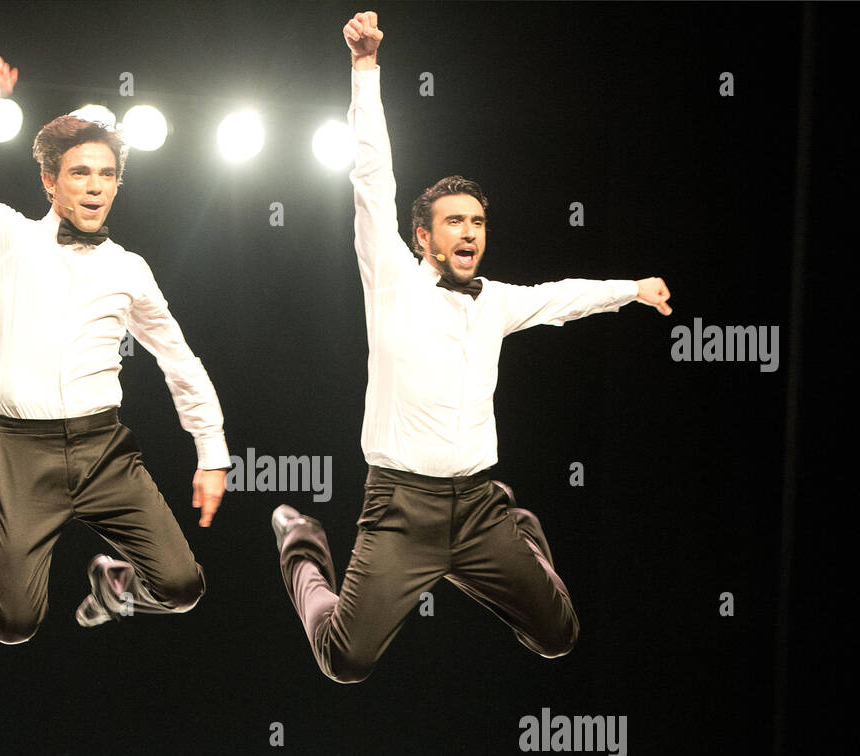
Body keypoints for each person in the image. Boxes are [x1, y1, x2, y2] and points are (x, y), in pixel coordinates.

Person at [273, 11, 674, 683]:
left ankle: (517, 527)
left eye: (479, 222)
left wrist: (631, 289)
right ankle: (300, 543)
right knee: (344, 660)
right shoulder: (394, 281)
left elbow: (562, 298)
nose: (470, 232)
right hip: (401, 511)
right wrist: (365, 69)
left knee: (557, 636)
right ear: (423, 238)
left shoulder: (498, 302)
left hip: (480, 505)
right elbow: (372, 176)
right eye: (454, 221)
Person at [0, 51, 230, 644]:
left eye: (106, 175)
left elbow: (178, 358)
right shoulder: (5, 238)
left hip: (104, 449)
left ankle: (116, 588)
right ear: (49, 181)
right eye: (80, 173)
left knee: (183, 586)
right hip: (22, 454)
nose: (94, 187)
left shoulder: (130, 268)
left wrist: (211, 451)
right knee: (13, 625)